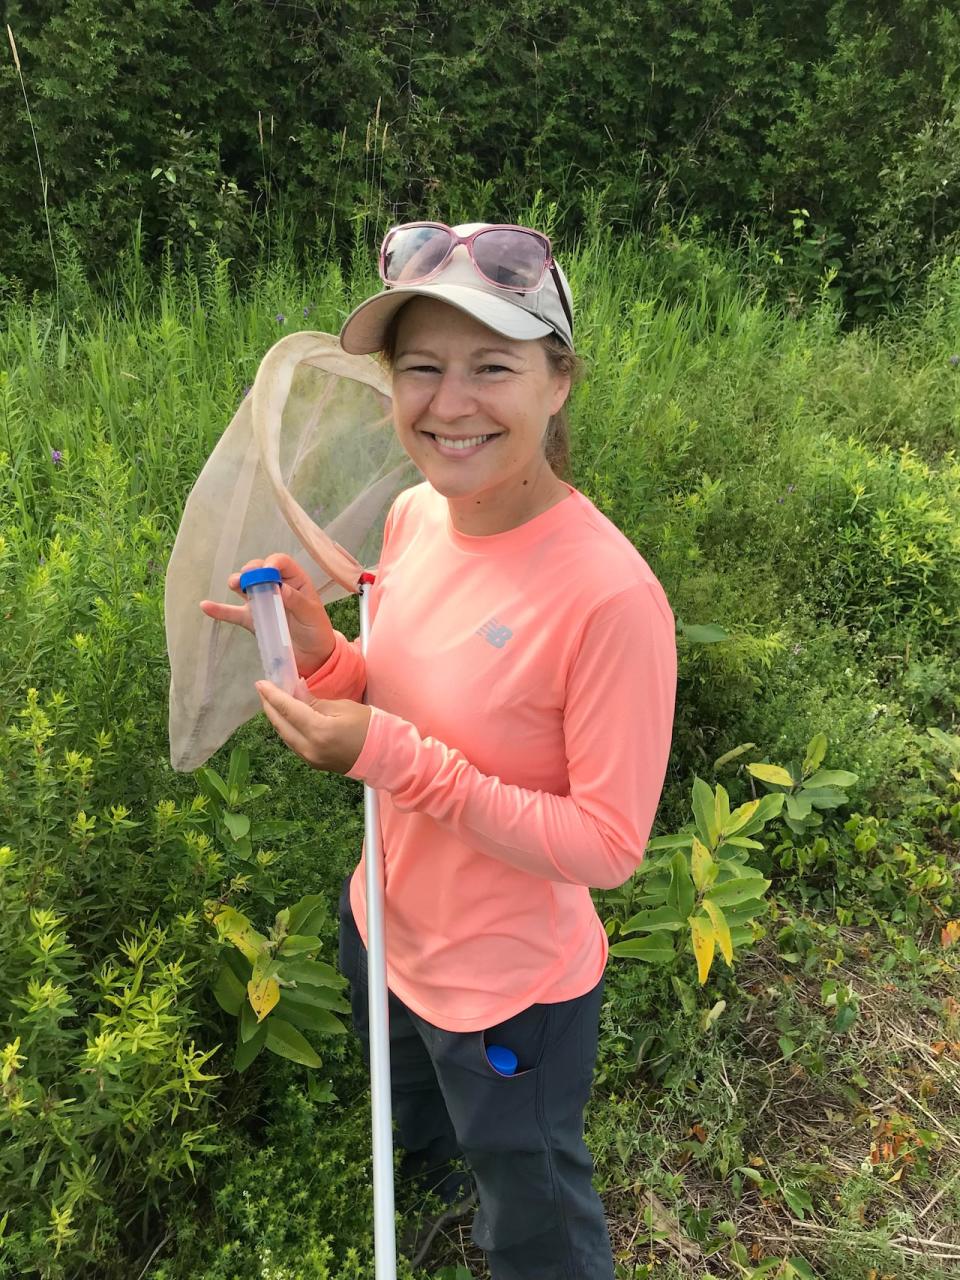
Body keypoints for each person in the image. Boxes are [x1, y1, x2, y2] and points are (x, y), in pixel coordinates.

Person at [199, 221, 678, 1279]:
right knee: (423, 1127)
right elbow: (403, 688)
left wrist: (391, 753)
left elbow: (605, 843)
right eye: (420, 367)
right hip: (385, 925)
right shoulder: (419, 515)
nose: (448, 403)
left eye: (491, 366)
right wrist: (331, 663)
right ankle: (435, 1179)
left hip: (510, 988)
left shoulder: (610, 597)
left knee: (532, 1205)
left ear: (559, 381)